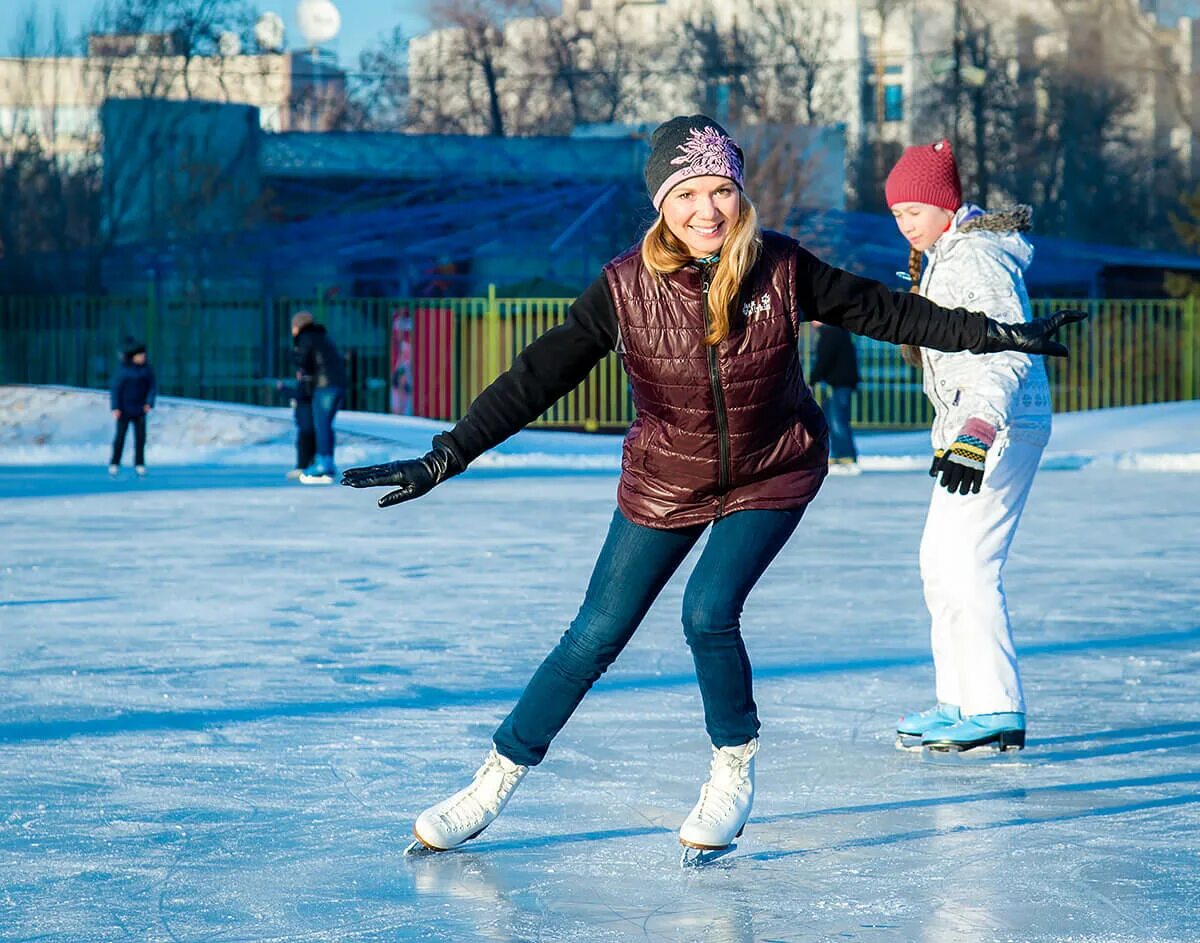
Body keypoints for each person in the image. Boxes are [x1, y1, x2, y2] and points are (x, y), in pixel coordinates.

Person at [341, 116, 1083, 856]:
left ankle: (731, 768)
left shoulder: (781, 266)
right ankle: (491, 782)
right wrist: (447, 455)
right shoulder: (624, 288)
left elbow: (883, 310)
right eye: (688, 193)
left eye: (721, 190)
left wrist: (996, 334)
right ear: (662, 203)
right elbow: (537, 375)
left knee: (707, 610)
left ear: (740, 195)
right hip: (665, 480)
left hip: (773, 471)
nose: (707, 210)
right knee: (593, 634)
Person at [887, 140, 1053, 754]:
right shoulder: (943, 257)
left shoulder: (977, 257)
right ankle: (958, 699)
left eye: (913, 210)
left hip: (1000, 426)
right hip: (970, 429)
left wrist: (980, 428)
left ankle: (995, 705)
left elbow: (1009, 345)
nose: (905, 224)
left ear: (944, 204)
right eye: (897, 214)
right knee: (939, 562)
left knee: (970, 564)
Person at [290, 311, 346, 484]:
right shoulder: (322, 337)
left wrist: (294, 355)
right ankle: (327, 460)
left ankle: (323, 462)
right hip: (337, 384)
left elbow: (303, 361)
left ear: (298, 326)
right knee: (326, 426)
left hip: (324, 386)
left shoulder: (306, 337)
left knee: (321, 425)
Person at [809, 321, 861, 474]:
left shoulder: (831, 333)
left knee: (838, 421)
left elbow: (824, 360)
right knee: (832, 420)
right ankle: (839, 455)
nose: (811, 322)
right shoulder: (836, 331)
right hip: (839, 383)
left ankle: (846, 456)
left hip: (841, 383)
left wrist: (813, 380)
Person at [108, 337, 156, 478]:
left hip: (140, 409)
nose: (143, 357)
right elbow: (116, 389)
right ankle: (115, 463)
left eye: (144, 355)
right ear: (133, 356)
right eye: (140, 355)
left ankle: (140, 464)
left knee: (140, 438)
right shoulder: (123, 370)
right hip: (124, 409)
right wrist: (115, 407)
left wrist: (149, 402)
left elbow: (152, 387)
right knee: (120, 438)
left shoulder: (146, 370)